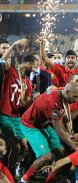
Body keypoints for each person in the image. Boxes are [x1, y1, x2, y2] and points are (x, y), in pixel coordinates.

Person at [19, 82, 78, 183]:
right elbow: (57, 128)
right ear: (67, 92)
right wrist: (75, 146)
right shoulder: (54, 102)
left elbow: (62, 121)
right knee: (46, 157)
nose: (75, 100)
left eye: (77, 97)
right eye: (74, 97)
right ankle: (23, 180)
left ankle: (50, 180)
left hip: (44, 124)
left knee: (63, 153)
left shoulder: (63, 92)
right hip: (30, 125)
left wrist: (69, 136)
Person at [0, 38, 37, 177]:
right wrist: (15, 44)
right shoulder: (11, 71)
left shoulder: (27, 83)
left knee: (24, 148)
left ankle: (12, 167)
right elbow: (2, 60)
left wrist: (33, 99)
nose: (33, 71)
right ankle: (8, 172)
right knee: (15, 147)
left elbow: (24, 103)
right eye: (33, 68)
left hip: (17, 118)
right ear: (27, 64)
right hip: (4, 115)